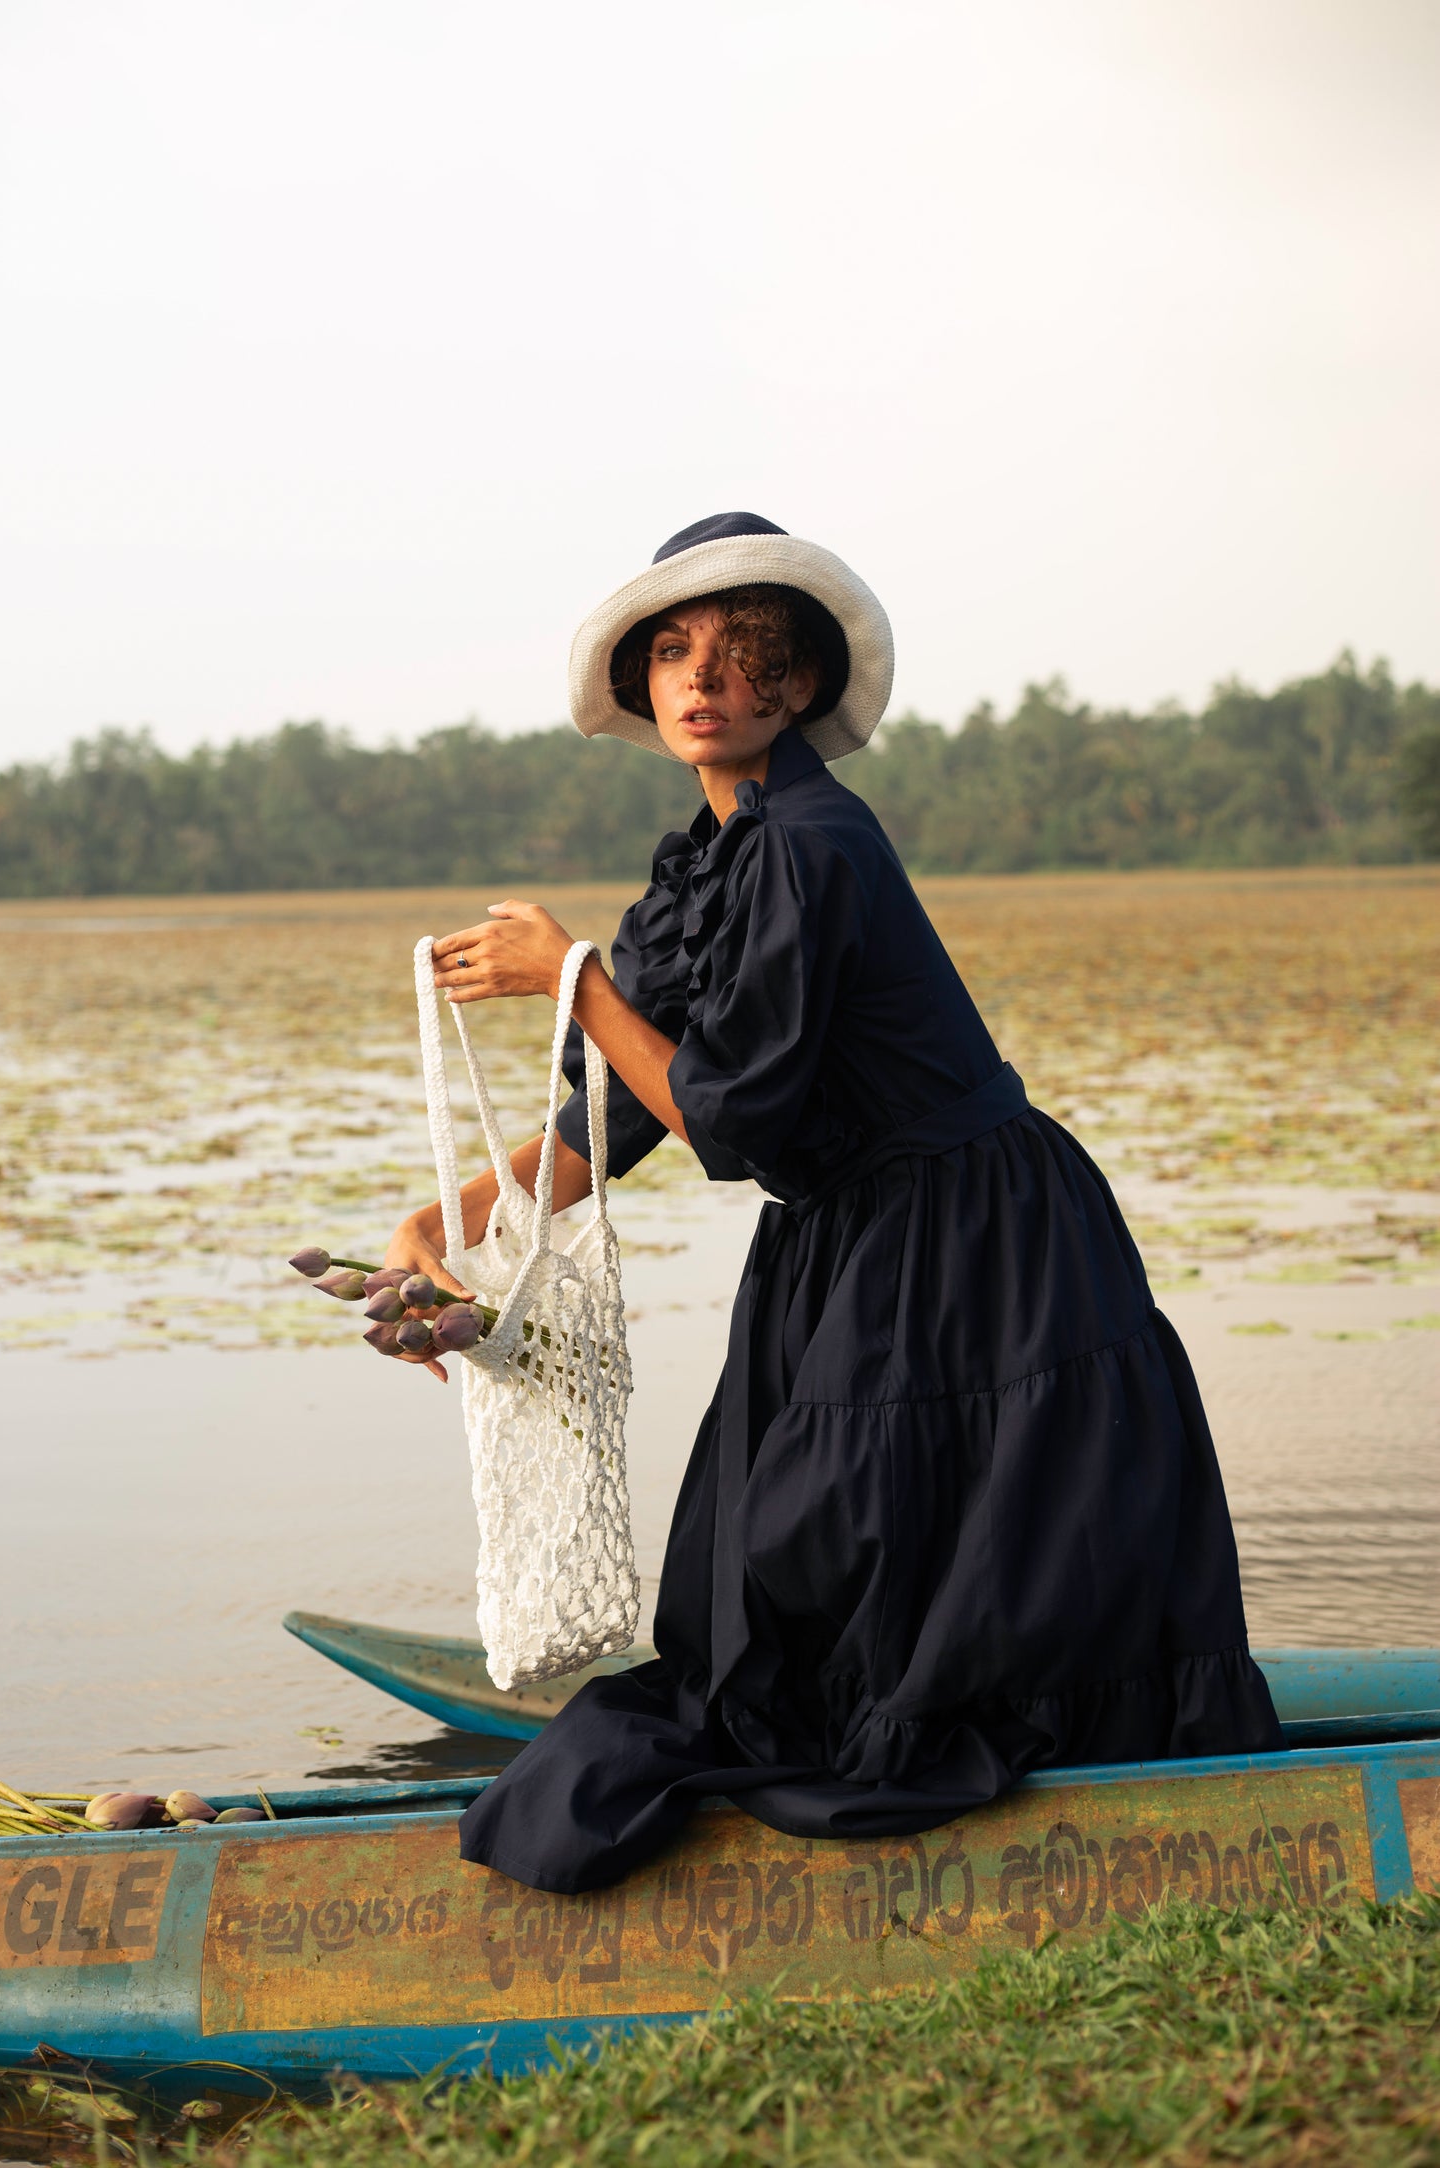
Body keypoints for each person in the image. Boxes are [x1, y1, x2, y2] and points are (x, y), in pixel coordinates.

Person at [382, 511, 1283, 1896]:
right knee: (780, 1554)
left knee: (899, 1553)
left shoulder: (814, 842)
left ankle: (1111, 1832)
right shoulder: (712, 861)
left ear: (791, 684)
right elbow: (627, 1107)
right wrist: (446, 1230)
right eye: (671, 652)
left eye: (734, 655)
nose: (697, 680)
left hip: (979, 1233)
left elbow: (730, 1122)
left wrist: (574, 978)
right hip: (847, 1239)